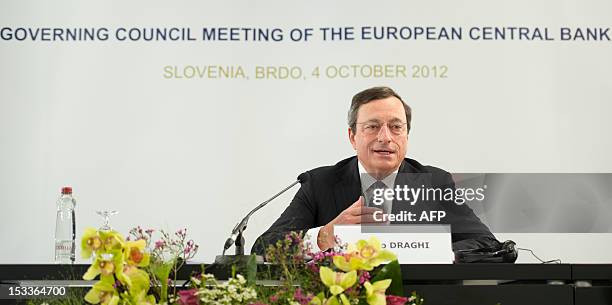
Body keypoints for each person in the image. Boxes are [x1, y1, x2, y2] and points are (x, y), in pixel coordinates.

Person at [252, 86, 498, 255]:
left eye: (395, 127)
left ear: (407, 136)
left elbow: (487, 244)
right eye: (372, 126)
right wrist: (326, 235)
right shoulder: (320, 183)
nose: (385, 137)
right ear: (352, 136)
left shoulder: (434, 183)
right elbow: (264, 247)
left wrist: (428, 250)